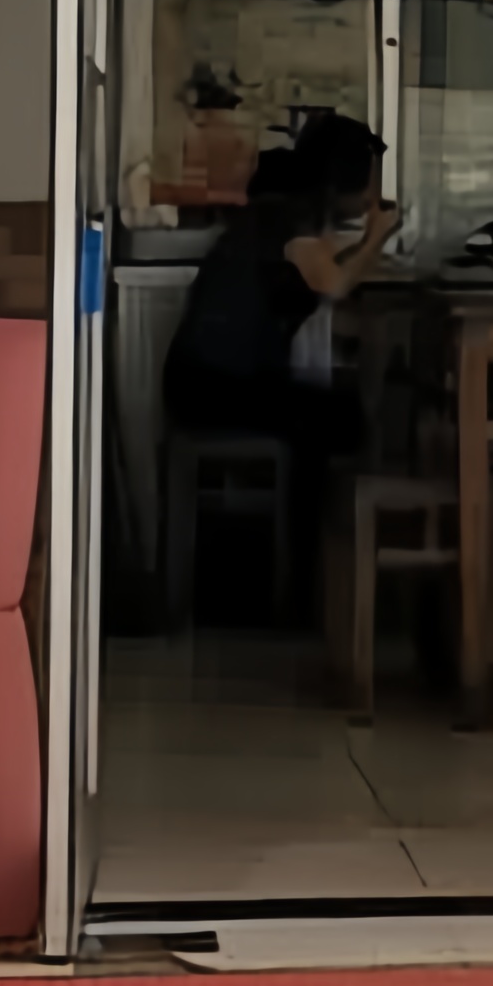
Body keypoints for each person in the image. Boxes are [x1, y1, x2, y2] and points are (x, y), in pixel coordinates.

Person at [163, 108, 391, 617]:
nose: (374, 194)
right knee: (339, 420)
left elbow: (319, 280)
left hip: (203, 380)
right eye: (370, 180)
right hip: (212, 386)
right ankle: (306, 588)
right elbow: (334, 283)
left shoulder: (280, 212)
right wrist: (378, 236)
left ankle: (304, 579)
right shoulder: (288, 218)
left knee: (328, 417)